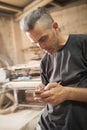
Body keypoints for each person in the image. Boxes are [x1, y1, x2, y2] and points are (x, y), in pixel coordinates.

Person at [20, 7, 87, 130]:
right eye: (35, 43)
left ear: (55, 27)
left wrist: (67, 93)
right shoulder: (45, 62)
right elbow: (48, 92)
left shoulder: (83, 45)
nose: (41, 47)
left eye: (43, 39)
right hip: (48, 124)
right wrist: (43, 91)